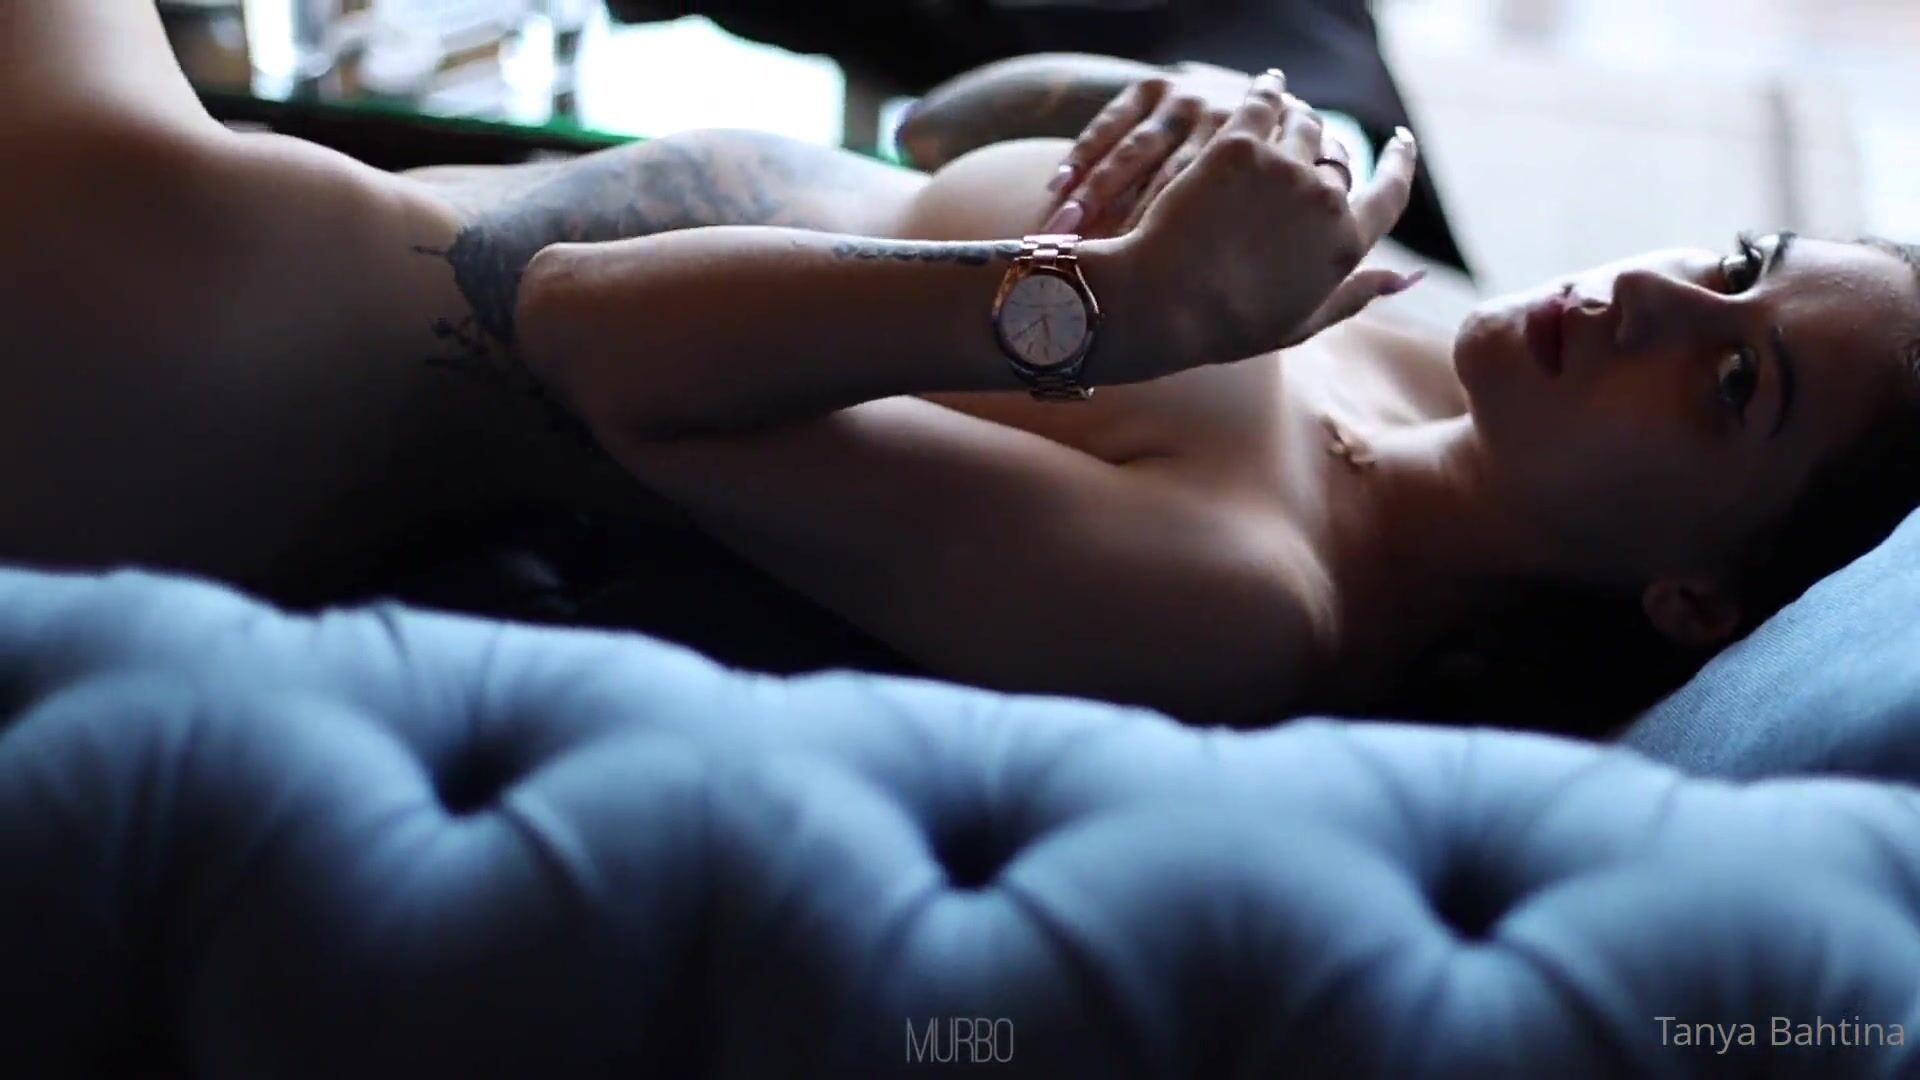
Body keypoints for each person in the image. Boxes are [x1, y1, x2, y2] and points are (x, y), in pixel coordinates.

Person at [6, 5, 1918, 729]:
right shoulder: (1416, 317)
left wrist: (1113, 310)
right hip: (230, 212)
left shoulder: (1254, 605)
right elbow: (950, 132)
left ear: (1693, 600)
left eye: (1735, 384)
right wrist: (1169, 108)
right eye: (1738, 265)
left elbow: (587, 337)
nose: (1662, 300)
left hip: (183, 348)